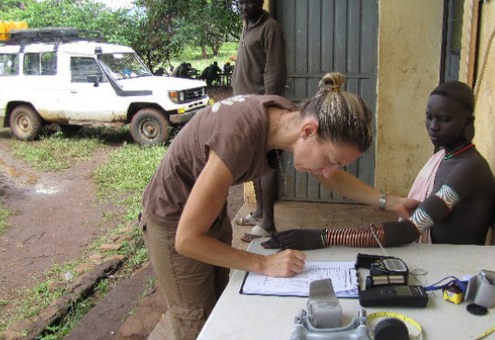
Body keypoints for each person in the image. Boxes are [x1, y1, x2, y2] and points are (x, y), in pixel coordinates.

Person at [140, 72, 418, 339]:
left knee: (218, 304)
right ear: (309, 131)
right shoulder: (239, 137)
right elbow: (187, 240)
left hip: (208, 214)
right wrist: (263, 263)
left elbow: (331, 177)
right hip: (173, 220)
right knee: (197, 319)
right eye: (332, 160)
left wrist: (390, 202)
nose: (331, 170)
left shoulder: (289, 118)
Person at [262, 80, 495, 250]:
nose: (433, 126)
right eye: (429, 117)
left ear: (468, 122)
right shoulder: (446, 158)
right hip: (436, 257)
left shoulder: (468, 169)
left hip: (457, 267)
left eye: (445, 119)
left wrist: (323, 237)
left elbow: (409, 231)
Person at [231, 0, 288, 242]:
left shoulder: (270, 27)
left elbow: (274, 72)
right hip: (244, 106)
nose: (243, 6)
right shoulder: (247, 25)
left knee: (266, 163)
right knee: (254, 161)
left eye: (248, 1)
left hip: (261, 107)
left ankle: (268, 223)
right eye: (239, 2)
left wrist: (267, 107)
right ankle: (259, 212)